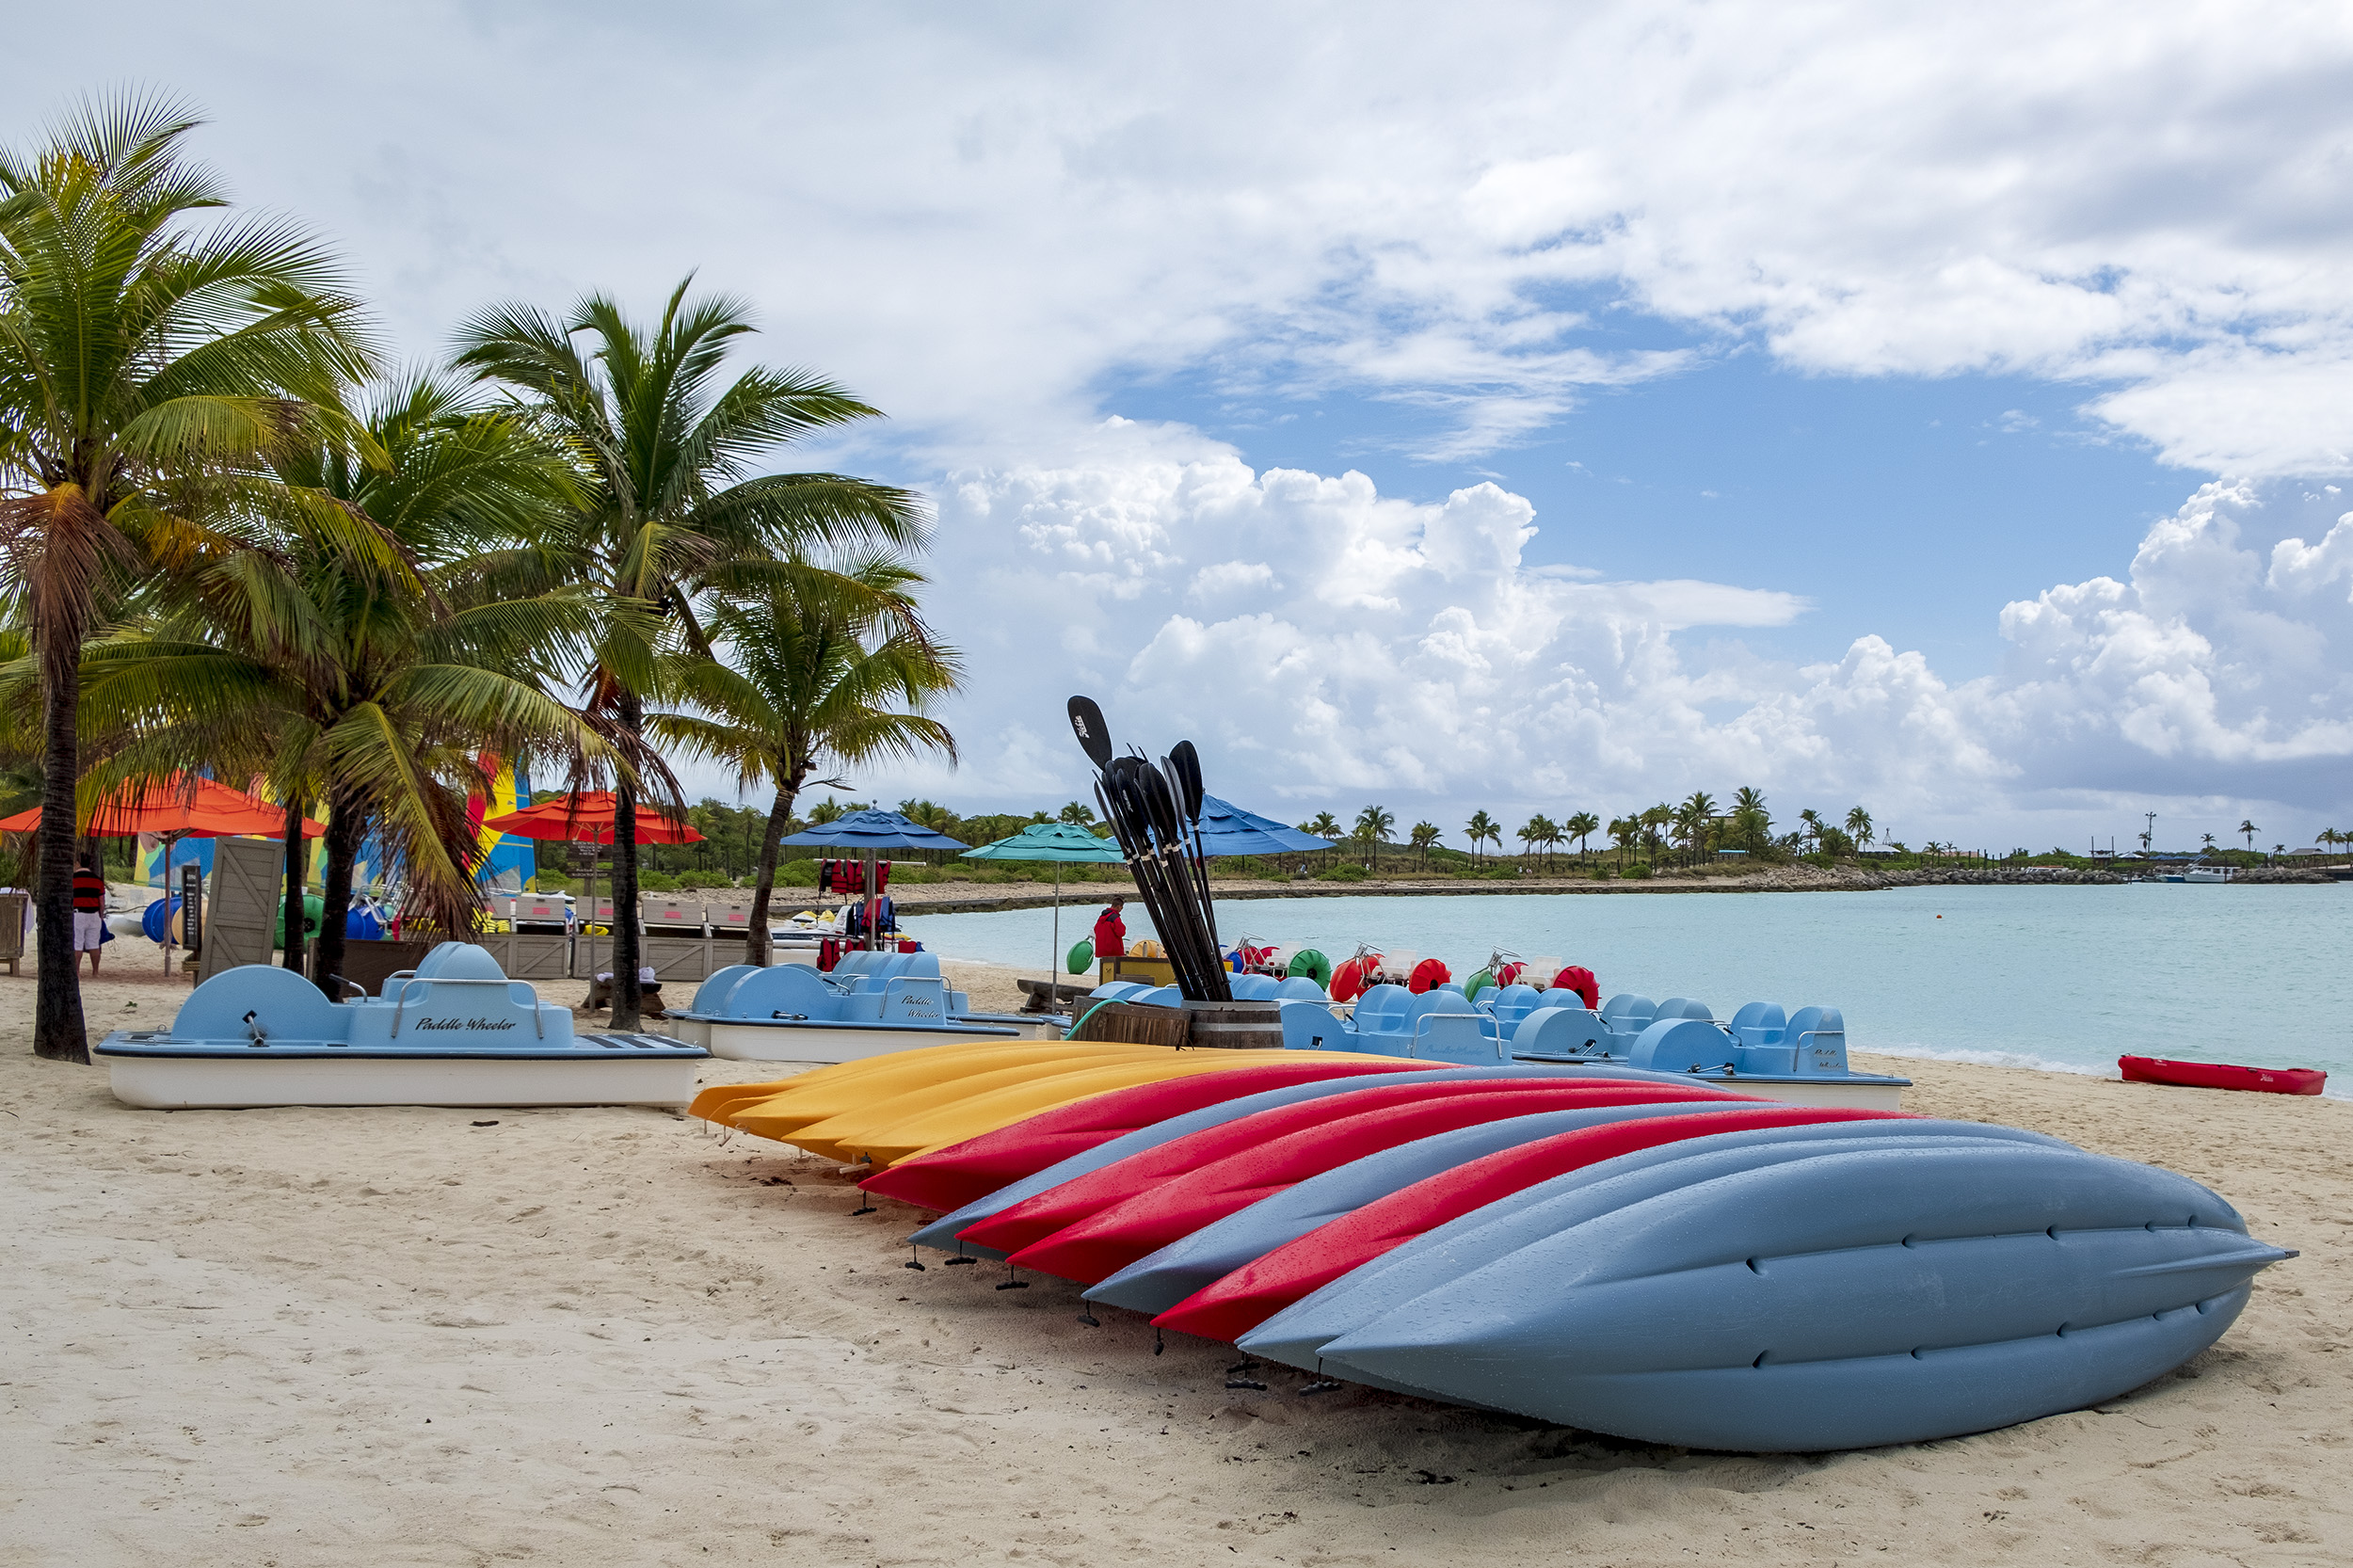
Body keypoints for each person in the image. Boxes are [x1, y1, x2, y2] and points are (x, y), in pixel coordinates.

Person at [72, 853, 107, 976]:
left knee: (77, 943)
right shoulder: (97, 880)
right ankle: (95, 971)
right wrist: (101, 916)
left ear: (77, 863)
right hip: (94, 915)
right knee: (94, 944)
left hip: (78, 914)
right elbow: (101, 902)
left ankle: (76, 971)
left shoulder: (72, 879)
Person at [1091, 895, 1128, 965]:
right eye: (1121, 907)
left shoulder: (1101, 917)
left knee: (1105, 968)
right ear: (1118, 906)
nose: (1121, 910)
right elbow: (1121, 932)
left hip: (1101, 948)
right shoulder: (1115, 918)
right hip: (1113, 949)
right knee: (1116, 968)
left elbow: (1096, 929)